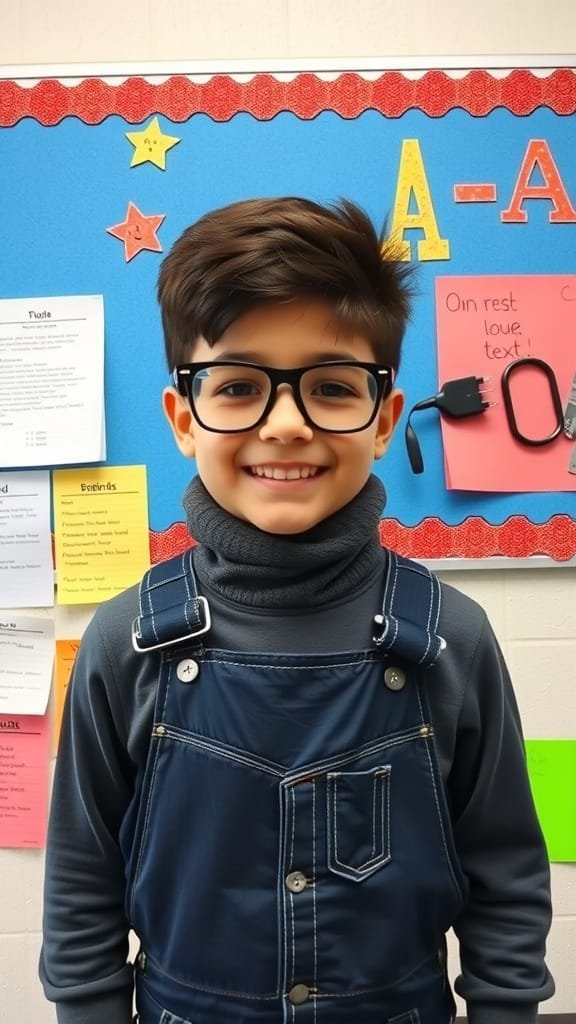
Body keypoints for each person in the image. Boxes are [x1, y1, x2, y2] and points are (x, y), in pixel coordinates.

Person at [40, 197, 554, 1024]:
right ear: (183, 420)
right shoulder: (123, 642)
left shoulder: (451, 636)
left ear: (385, 420)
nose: (286, 425)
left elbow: (507, 881)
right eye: (239, 386)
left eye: (331, 386)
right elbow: (79, 887)